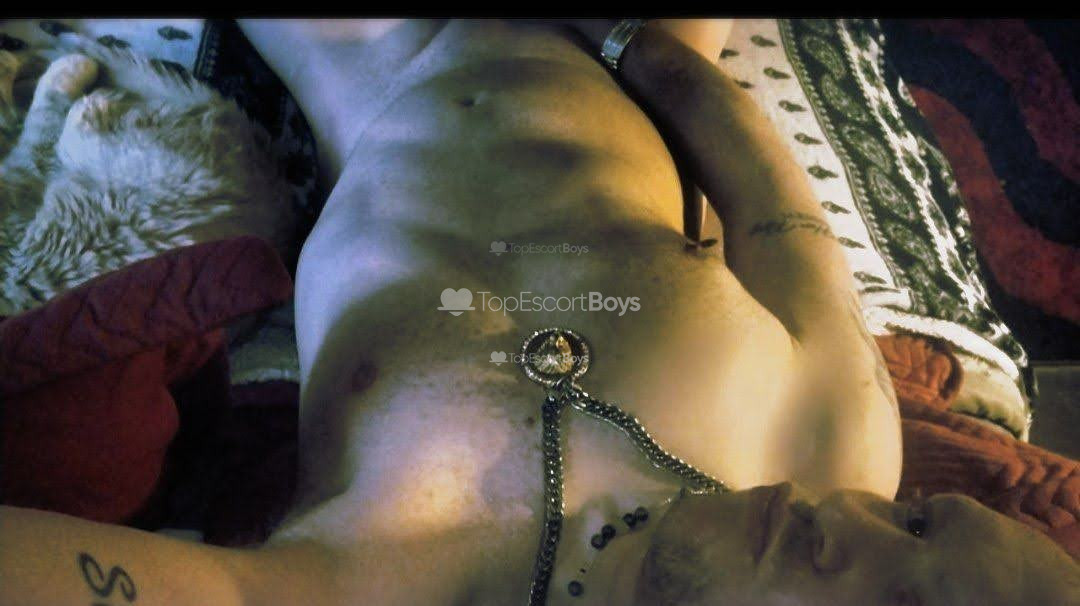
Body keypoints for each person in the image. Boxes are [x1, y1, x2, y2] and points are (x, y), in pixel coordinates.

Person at [1, 18, 1077, 606]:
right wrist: (639, 46)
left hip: (375, 50)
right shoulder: (842, 451)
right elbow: (777, 209)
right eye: (921, 521)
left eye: (900, 605)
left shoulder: (397, 577)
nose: (850, 522)